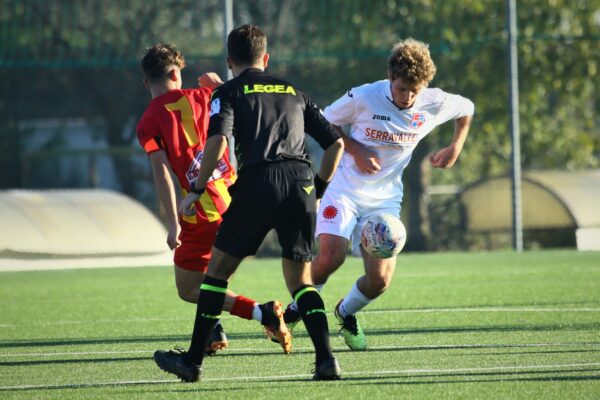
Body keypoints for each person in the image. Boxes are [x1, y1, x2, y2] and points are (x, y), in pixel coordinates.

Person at [153, 24, 344, 383]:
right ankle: (327, 362)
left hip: (259, 182)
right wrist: (318, 187)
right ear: (266, 58)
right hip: (300, 181)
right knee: (301, 282)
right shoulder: (294, 91)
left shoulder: (228, 92)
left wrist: (195, 188)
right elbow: (336, 145)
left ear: (230, 61)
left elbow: (218, 142)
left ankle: (192, 363)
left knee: (216, 275)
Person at [285, 38, 475, 351]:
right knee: (331, 257)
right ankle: (292, 312)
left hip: (385, 200)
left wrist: (455, 146)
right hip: (344, 189)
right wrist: (356, 150)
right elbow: (322, 120)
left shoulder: (432, 101)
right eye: (402, 89)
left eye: (415, 90)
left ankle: (345, 312)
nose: (408, 97)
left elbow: (466, 108)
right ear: (390, 78)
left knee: (380, 281)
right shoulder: (364, 96)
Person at [136, 43, 289, 356]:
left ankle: (263, 313)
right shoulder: (207, 96)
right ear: (177, 73)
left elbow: (162, 174)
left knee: (189, 288)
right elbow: (246, 101)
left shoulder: (148, 123)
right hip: (235, 202)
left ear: (145, 82)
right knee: (213, 276)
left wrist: (172, 223)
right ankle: (213, 330)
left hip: (199, 214)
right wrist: (219, 84)